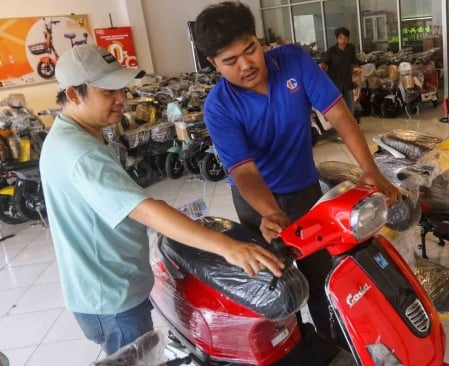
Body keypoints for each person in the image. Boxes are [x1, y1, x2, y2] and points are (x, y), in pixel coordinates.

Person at [40, 44, 285, 356]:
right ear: (74, 95)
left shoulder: (71, 135)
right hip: (112, 299)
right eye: (107, 92)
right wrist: (229, 247)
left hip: (108, 285)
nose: (121, 100)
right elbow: (144, 210)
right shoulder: (81, 152)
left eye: (122, 89)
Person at [194, 1, 400, 350]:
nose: (247, 65)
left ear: (259, 41)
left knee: (320, 274)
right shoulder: (219, 107)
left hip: (305, 189)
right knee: (276, 283)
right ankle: (289, 345)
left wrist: (371, 171)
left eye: (251, 50)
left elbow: (340, 116)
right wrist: (269, 212)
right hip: (256, 203)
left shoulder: (293, 61)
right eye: (231, 61)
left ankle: (332, 344)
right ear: (213, 63)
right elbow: (244, 171)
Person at [319, 27, 362, 119]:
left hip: (347, 83)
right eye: (341, 38)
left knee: (351, 107)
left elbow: (354, 60)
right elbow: (324, 63)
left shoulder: (350, 48)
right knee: (339, 108)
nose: (344, 40)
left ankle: (350, 127)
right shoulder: (331, 51)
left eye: (346, 38)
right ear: (337, 39)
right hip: (335, 84)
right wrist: (322, 66)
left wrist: (358, 66)